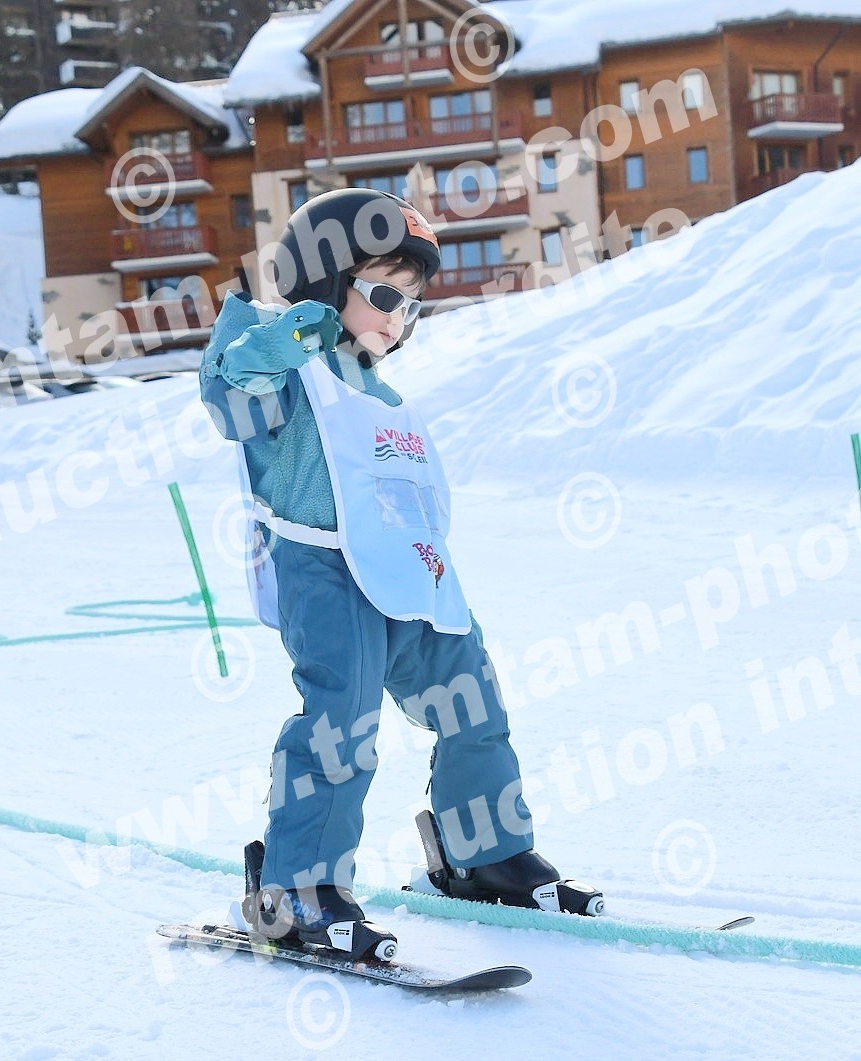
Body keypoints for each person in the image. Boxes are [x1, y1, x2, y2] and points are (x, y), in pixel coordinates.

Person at [198, 188, 601, 961]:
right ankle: (296, 889)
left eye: (411, 306)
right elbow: (231, 394)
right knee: (342, 720)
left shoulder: (381, 396)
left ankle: (481, 853)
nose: (398, 319)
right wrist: (281, 341)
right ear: (324, 282)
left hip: (412, 573)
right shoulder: (288, 370)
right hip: (325, 569)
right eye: (384, 296)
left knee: (471, 696)